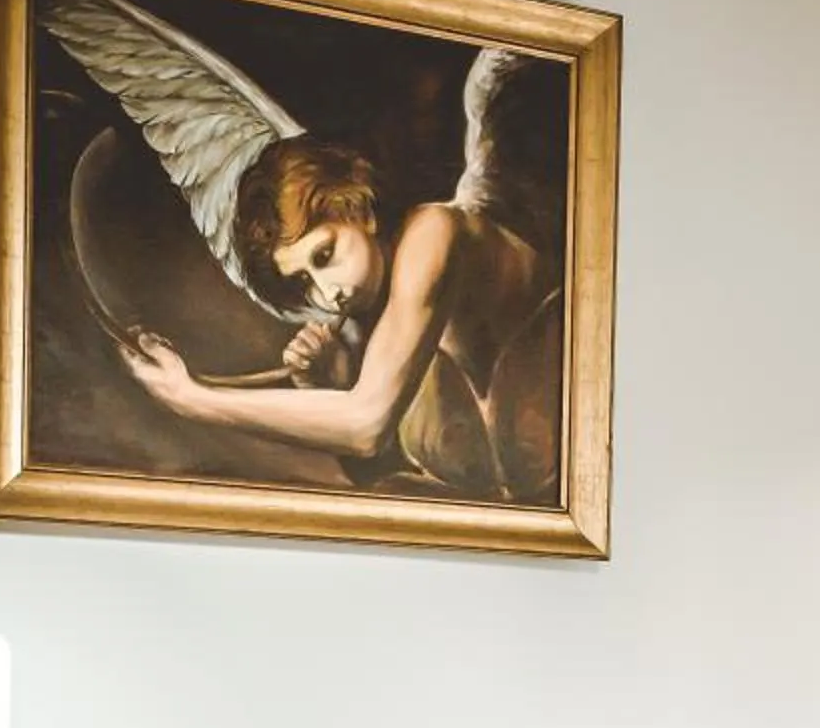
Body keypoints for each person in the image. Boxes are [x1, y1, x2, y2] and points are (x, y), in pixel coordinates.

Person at [120, 126, 558, 501]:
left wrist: (192, 399)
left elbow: (367, 427)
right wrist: (324, 385)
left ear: (356, 208)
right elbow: (374, 468)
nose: (326, 295)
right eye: (305, 282)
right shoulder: (393, 327)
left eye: (325, 254)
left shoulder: (434, 233)